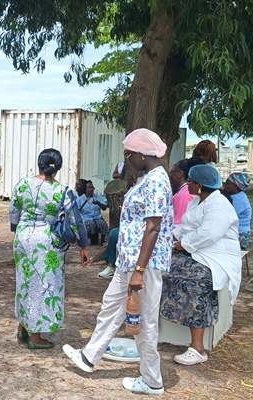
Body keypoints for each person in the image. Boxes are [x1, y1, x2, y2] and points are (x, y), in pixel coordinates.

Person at [63, 128, 173, 396]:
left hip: (142, 265)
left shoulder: (158, 181)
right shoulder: (146, 179)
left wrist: (139, 270)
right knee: (111, 307)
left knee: (144, 322)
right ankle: (89, 356)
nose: (127, 159)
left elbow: (153, 228)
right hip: (129, 262)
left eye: (129, 154)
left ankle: (152, 381)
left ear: (143, 153)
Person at [9, 148, 91, 349]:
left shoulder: (22, 184)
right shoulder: (62, 191)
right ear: (58, 168)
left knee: (25, 282)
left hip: (23, 238)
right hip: (47, 243)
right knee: (43, 286)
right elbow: (75, 220)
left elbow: (13, 211)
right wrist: (84, 245)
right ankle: (36, 338)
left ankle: (23, 327)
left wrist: (18, 229)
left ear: (39, 163)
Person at [162, 164, 242, 365]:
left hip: (215, 257)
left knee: (195, 282)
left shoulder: (219, 206)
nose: (187, 184)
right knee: (159, 268)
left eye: (190, 181)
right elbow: (186, 227)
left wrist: (181, 245)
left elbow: (208, 234)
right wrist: (167, 235)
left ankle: (198, 348)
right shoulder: (197, 201)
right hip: (198, 252)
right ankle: (151, 328)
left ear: (200, 185)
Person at [169, 157, 204, 227]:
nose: (169, 175)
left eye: (171, 172)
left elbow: (179, 224)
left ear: (179, 174)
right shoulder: (183, 191)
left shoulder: (184, 194)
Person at [223, 173, 253, 249]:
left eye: (227, 184)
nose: (224, 186)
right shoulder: (237, 196)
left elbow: (227, 217)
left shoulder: (239, 200)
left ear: (235, 186)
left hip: (240, 234)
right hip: (235, 231)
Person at [77, 180, 109, 245]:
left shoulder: (97, 197)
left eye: (92, 187)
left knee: (102, 224)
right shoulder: (80, 199)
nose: (91, 189)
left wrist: (98, 202)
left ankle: (103, 241)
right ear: (85, 189)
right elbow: (77, 211)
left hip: (97, 217)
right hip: (87, 218)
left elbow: (104, 208)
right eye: (89, 187)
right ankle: (88, 239)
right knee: (90, 224)